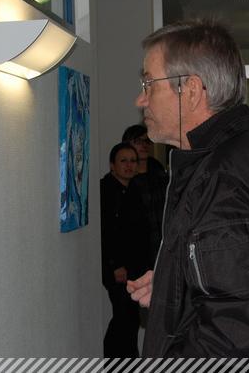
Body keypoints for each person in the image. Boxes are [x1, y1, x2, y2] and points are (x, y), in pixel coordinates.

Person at [126, 18, 249, 357]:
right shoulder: (247, 156)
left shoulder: (224, 179)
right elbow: (246, 288)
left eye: (148, 83)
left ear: (190, 90)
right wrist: (178, 284)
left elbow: (234, 337)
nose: (140, 100)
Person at [100, 142, 148, 357]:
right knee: (124, 320)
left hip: (135, 268)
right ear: (112, 165)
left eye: (133, 161)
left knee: (130, 320)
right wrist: (115, 265)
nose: (129, 165)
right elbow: (106, 232)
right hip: (118, 270)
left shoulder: (134, 190)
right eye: (123, 161)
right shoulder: (105, 191)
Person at [122, 124, 168, 268]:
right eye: (138, 141)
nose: (144, 145)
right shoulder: (124, 175)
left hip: (162, 243)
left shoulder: (158, 170)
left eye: (147, 141)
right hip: (136, 249)